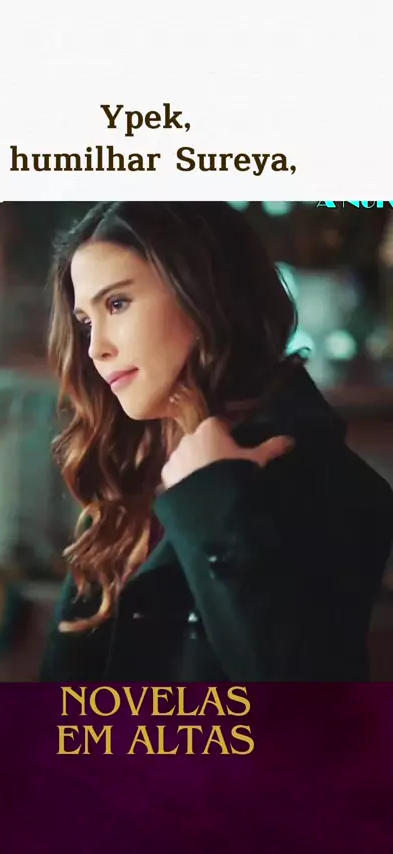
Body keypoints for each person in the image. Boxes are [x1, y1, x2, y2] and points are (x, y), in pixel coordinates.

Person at [39, 201, 393, 683]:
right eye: (85, 322)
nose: (96, 347)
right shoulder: (127, 480)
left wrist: (211, 496)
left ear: (202, 292)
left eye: (117, 304)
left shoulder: (326, 480)